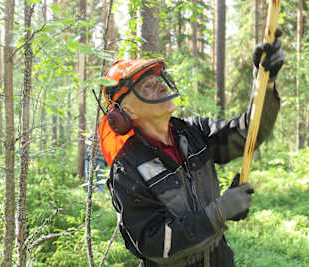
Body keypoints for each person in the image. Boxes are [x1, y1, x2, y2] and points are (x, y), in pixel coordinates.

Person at [99, 32, 284, 267]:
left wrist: (264, 82)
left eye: (158, 81)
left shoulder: (193, 132)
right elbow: (155, 244)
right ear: (127, 113)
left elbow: (248, 132)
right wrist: (218, 212)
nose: (160, 86)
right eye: (147, 86)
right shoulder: (126, 170)